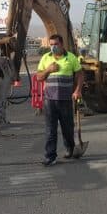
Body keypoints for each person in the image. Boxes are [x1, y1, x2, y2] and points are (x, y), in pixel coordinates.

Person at [36, 34, 84, 166]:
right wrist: (48, 70)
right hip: (50, 100)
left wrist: (78, 90)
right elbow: (39, 77)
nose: (53, 47)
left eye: (56, 44)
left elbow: (80, 74)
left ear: (62, 44)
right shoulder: (46, 58)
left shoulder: (71, 58)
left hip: (65, 100)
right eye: (51, 44)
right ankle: (50, 156)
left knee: (67, 128)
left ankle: (70, 148)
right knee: (50, 129)